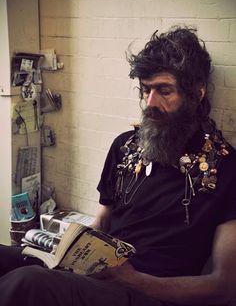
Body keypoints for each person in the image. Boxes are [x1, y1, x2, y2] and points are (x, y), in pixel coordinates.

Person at [1, 26, 236, 306]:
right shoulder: (125, 146)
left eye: (164, 91)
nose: (150, 103)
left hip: (149, 292)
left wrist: (135, 281)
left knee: (28, 282)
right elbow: (102, 221)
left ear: (197, 94)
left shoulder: (225, 167)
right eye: (146, 90)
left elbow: (223, 286)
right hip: (100, 276)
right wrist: (67, 253)